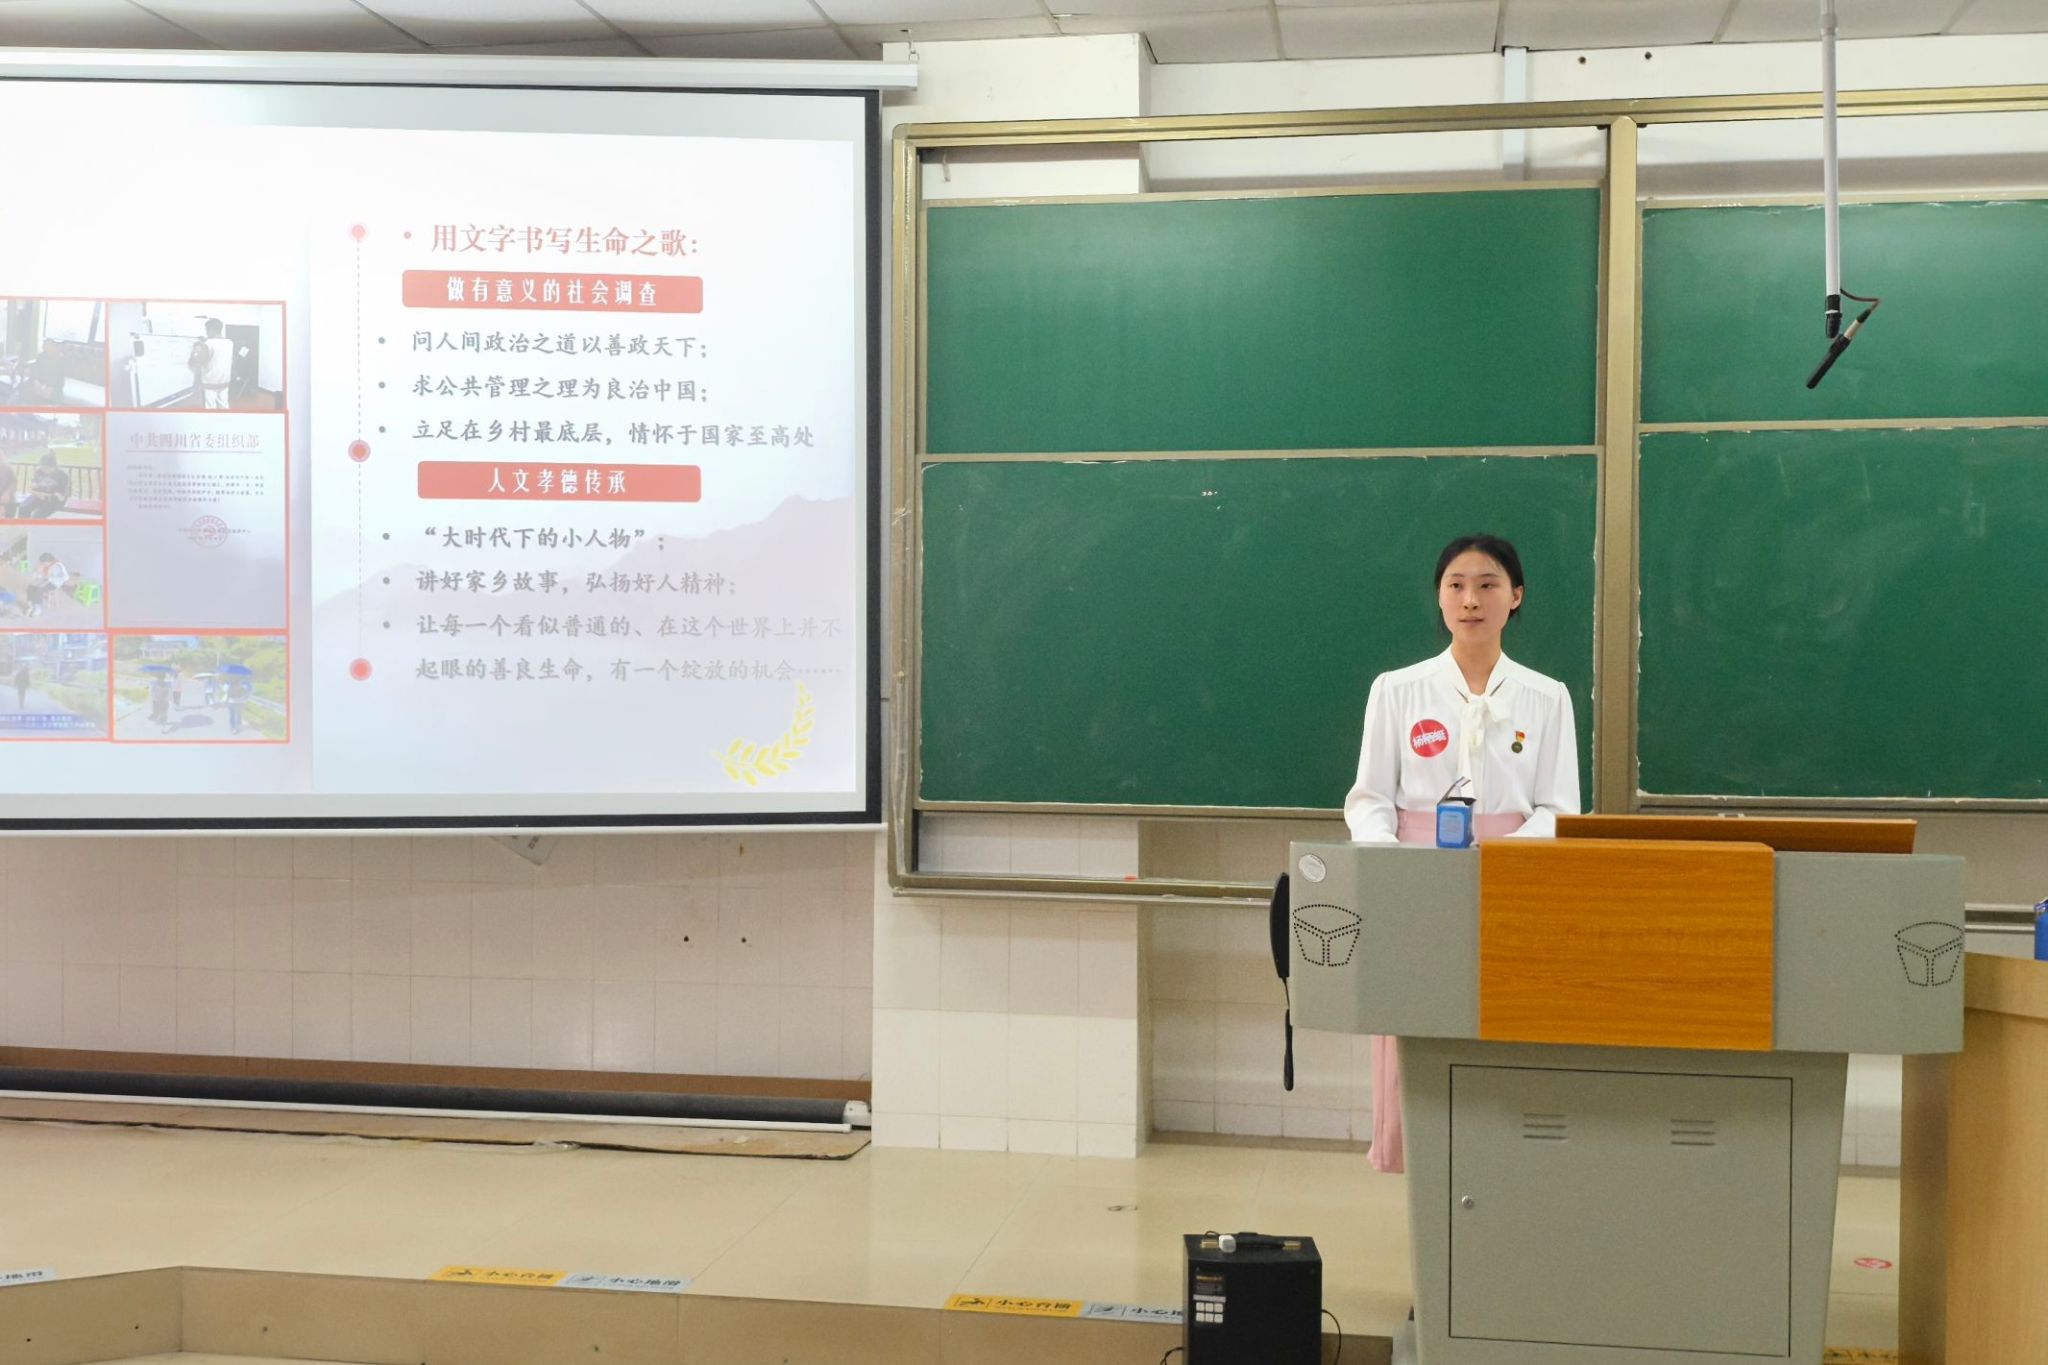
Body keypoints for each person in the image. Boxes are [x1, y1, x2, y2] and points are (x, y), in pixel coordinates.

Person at [1343, 533, 1581, 1175]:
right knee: (1416, 1022)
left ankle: (1506, 1162)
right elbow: (1369, 798)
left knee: (1505, 1027)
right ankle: (1413, 1155)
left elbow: (1560, 810)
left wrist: (1501, 859)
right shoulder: (1397, 689)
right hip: (1415, 884)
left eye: (1487, 584)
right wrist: (1391, 863)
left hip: (1511, 884)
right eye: (1456, 585)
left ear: (1515, 596)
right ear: (1440, 598)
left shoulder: (1547, 695)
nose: (1471, 599)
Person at [189, 319, 235, 410]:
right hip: (224, 381)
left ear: (211, 329)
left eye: (207, 330)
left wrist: (198, 346)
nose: (206, 333)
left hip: (210, 383)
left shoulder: (207, 344)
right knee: (224, 405)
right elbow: (217, 349)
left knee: (210, 407)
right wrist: (205, 342)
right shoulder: (230, 343)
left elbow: (197, 361)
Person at [17, 453, 70, 519]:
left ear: (54, 466)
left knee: (37, 515)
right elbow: (32, 488)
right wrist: (35, 490)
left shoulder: (62, 475)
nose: (44, 470)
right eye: (42, 467)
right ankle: (23, 525)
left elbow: (61, 497)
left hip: (53, 501)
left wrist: (44, 495)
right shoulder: (39, 471)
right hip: (38, 496)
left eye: (47, 468)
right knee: (23, 508)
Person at [23, 552, 68, 617]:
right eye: (42, 563)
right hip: (45, 579)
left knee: (39, 589)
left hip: (55, 583)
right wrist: (37, 576)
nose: (42, 564)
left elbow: (63, 578)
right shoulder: (43, 564)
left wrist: (48, 579)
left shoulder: (57, 566)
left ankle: (38, 608)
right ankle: (30, 605)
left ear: (50, 561)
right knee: (30, 587)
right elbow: (39, 574)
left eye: (44, 563)